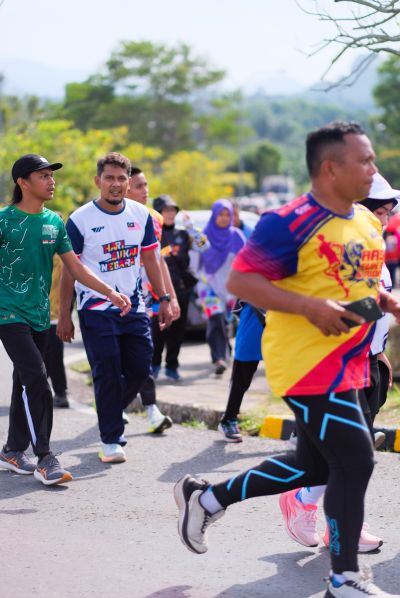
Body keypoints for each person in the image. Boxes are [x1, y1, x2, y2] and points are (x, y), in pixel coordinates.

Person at [173, 122, 400, 597]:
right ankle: (344, 578)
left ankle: (206, 498)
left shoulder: (366, 225)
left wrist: (383, 302)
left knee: (315, 467)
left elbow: (352, 290)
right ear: (330, 168)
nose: (373, 169)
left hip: (355, 362)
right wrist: (310, 308)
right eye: (364, 160)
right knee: (356, 460)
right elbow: (241, 282)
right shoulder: (289, 221)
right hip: (307, 364)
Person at [279, 171, 400, 554]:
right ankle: (320, 512)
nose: (386, 219)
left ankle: (322, 513)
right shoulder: (337, 249)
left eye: (389, 212)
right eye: (380, 211)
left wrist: (380, 353)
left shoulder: (373, 251)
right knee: (350, 456)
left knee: (348, 455)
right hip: (337, 367)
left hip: (369, 364)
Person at [0, 154, 131, 485]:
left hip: (39, 315)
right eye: (43, 176)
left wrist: (110, 292)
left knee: (23, 381)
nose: (51, 181)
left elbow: (76, 267)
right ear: (23, 182)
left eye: (51, 175)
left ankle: (12, 449)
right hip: (7, 312)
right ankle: (45, 457)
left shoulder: (54, 222)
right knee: (37, 380)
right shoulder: (4, 221)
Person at [57, 152, 173, 464]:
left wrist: (164, 298)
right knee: (106, 371)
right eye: (109, 177)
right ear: (98, 181)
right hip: (95, 309)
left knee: (140, 369)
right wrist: (65, 314)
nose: (116, 184)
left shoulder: (141, 215)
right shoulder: (80, 220)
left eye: (122, 178)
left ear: (128, 182)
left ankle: (109, 409)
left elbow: (151, 260)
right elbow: (69, 271)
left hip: (134, 307)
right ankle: (110, 440)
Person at [125, 167, 176, 429]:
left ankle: (151, 409)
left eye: (146, 185)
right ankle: (115, 405)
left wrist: (170, 297)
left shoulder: (155, 218)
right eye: (139, 186)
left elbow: (158, 260)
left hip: (146, 297)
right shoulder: (109, 216)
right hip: (115, 297)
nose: (145, 191)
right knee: (118, 358)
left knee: (143, 353)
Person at [152, 194, 207, 380]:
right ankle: (154, 365)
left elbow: (203, 246)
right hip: (157, 293)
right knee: (157, 329)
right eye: (165, 210)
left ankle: (172, 367)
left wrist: (191, 227)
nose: (170, 214)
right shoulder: (152, 233)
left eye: (172, 210)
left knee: (177, 330)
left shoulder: (183, 234)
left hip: (181, 291)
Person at [197, 199, 246, 375]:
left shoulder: (237, 236)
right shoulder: (203, 236)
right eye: (220, 214)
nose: (224, 218)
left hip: (230, 288)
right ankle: (218, 358)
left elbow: (246, 260)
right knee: (215, 317)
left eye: (227, 215)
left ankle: (225, 350)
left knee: (225, 322)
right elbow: (195, 259)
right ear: (214, 216)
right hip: (207, 286)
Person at [218, 301, 264, 442]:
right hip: (257, 309)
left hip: (287, 314)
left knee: (292, 372)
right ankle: (229, 419)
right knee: (244, 369)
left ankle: (300, 430)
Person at [44, 254, 70, 408]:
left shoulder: (62, 250)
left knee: (55, 357)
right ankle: (36, 391)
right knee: (35, 358)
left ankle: (60, 393)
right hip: (33, 314)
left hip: (55, 315)